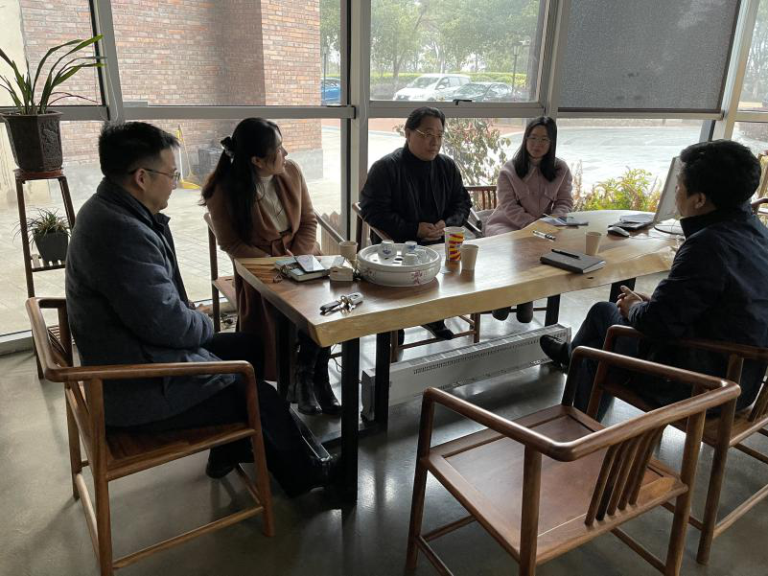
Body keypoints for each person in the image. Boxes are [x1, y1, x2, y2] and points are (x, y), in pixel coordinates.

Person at [65, 121, 333, 496]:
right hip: (139, 385)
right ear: (141, 177)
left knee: (250, 346)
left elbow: (158, 311)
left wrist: (190, 317)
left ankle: (233, 445)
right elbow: (168, 325)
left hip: (142, 355)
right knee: (258, 394)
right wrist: (202, 320)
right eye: (172, 175)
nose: (175, 183)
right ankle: (307, 476)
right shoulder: (119, 232)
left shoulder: (115, 212)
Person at [540, 139, 768, 420]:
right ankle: (573, 363)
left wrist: (636, 307)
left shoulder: (707, 246)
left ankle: (582, 424)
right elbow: (721, 306)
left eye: (679, 187)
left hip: (698, 385)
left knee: (601, 326)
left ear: (699, 200)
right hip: (743, 382)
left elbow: (657, 325)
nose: (675, 193)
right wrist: (653, 304)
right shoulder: (758, 233)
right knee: (603, 335)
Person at [202, 118, 340, 417]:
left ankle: (313, 376)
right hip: (261, 270)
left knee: (327, 306)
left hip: (304, 258)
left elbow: (309, 221)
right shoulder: (223, 191)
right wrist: (278, 267)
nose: (286, 153)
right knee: (287, 311)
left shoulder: (292, 171)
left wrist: (297, 261)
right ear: (257, 160)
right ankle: (298, 380)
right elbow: (233, 245)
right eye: (278, 149)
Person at [359, 106, 473, 340]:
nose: (435, 142)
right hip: (397, 247)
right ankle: (395, 325)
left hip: (440, 243)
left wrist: (446, 224)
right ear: (408, 133)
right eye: (427, 134)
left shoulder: (447, 167)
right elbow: (372, 211)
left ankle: (434, 315)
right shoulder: (386, 168)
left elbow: (462, 203)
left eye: (439, 135)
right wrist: (414, 229)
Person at [485, 116, 573, 323]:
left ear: (552, 143)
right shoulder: (510, 169)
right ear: (525, 139)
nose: (537, 144)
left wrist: (550, 222)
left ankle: (524, 296)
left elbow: (565, 202)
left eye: (544, 139)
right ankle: (510, 296)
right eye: (532, 138)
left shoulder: (561, 169)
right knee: (518, 245)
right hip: (505, 224)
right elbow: (508, 206)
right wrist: (534, 227)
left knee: (551, 246)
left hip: (543, 226)